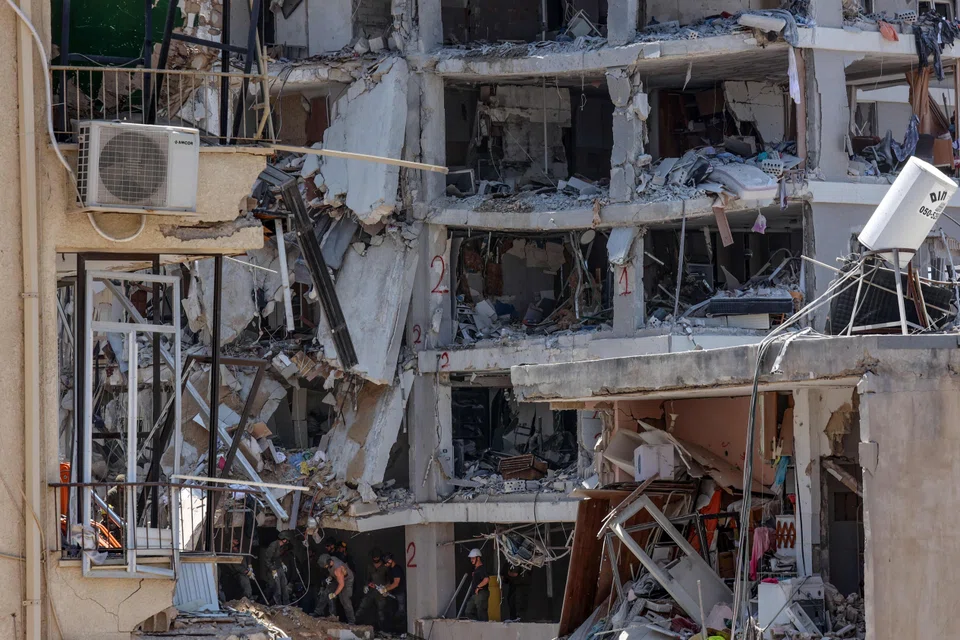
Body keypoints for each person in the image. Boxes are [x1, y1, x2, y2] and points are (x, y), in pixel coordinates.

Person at [356, 549, 390, 629]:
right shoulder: (369, 566)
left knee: (381, 611)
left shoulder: (385, 567)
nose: (375, 559)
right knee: (362, 606)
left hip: (381, 592)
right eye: (374, 558)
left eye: (377, 557)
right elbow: (367, 579)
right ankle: (354, 623)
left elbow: (389, 580)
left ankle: (382, 629)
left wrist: (386, 589)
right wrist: (366, 585)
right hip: (371, 591)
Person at [323, 553, 357, 624]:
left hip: (347, 580)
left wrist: (334, 594)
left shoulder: (337, 569)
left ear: (328, 563)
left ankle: (352, 622)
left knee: (346, 600)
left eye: (325, 565)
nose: (324, 567)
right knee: (341, 600)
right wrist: (330, 577)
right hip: (339, 579)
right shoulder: (331, 559)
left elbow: (341, 584)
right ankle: (336, 618)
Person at [262, 537, 292, 605]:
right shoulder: (273, 545)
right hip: (273, 568)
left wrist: (282, 563)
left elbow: (278, 557)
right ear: (284, 540)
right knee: (277, 588)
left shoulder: (281, 546)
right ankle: (278, 605)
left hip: (279, 567)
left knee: (284, 587)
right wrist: (272, 570)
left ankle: (286, 604)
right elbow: (267, 559)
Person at [464, 549, 489, 621]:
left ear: (478, 558)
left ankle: (484, 627)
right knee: (468, 611)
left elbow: (486, 579)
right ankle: (478, 625)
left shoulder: (482, 568)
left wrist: (478, 586)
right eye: (471, 558)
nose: (471, 560)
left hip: (481, 593)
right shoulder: (476, 569)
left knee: (481, 612)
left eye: (473, 558)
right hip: (475, 595)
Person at [383, 552, 406, 623]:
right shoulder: (391, 569)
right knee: (393, 609)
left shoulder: (396, 569)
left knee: (401, 611)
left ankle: (401, 628)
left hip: (400, 593)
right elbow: (391, 582)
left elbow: (396, 583)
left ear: (390, 561)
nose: (385, 565)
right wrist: (385, 588)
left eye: (386, 563)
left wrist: (385, 589)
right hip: (395, 593)